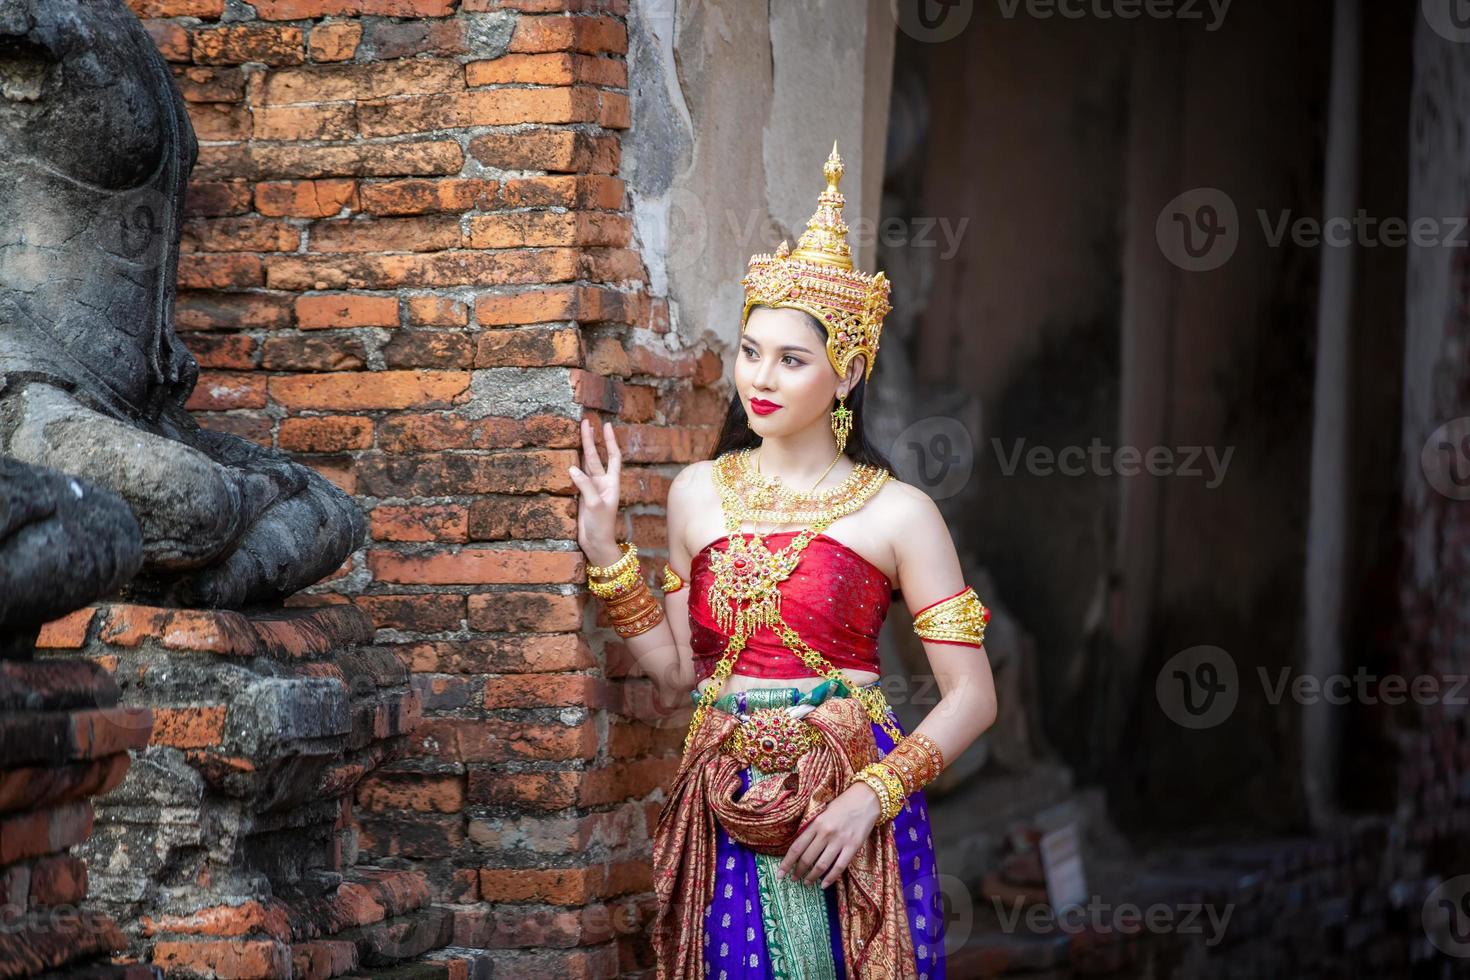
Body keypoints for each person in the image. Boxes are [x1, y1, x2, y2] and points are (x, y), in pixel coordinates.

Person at [567, 144, 998, 979]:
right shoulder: (696, 493)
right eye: (751, 351)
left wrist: (868, 800)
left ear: (849, 375)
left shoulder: (899, 512)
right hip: (722, 801)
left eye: (793, 360)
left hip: (849, 806)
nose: (760, 379)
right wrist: (605, 551)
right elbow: (676, 674)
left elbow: (974, 697)